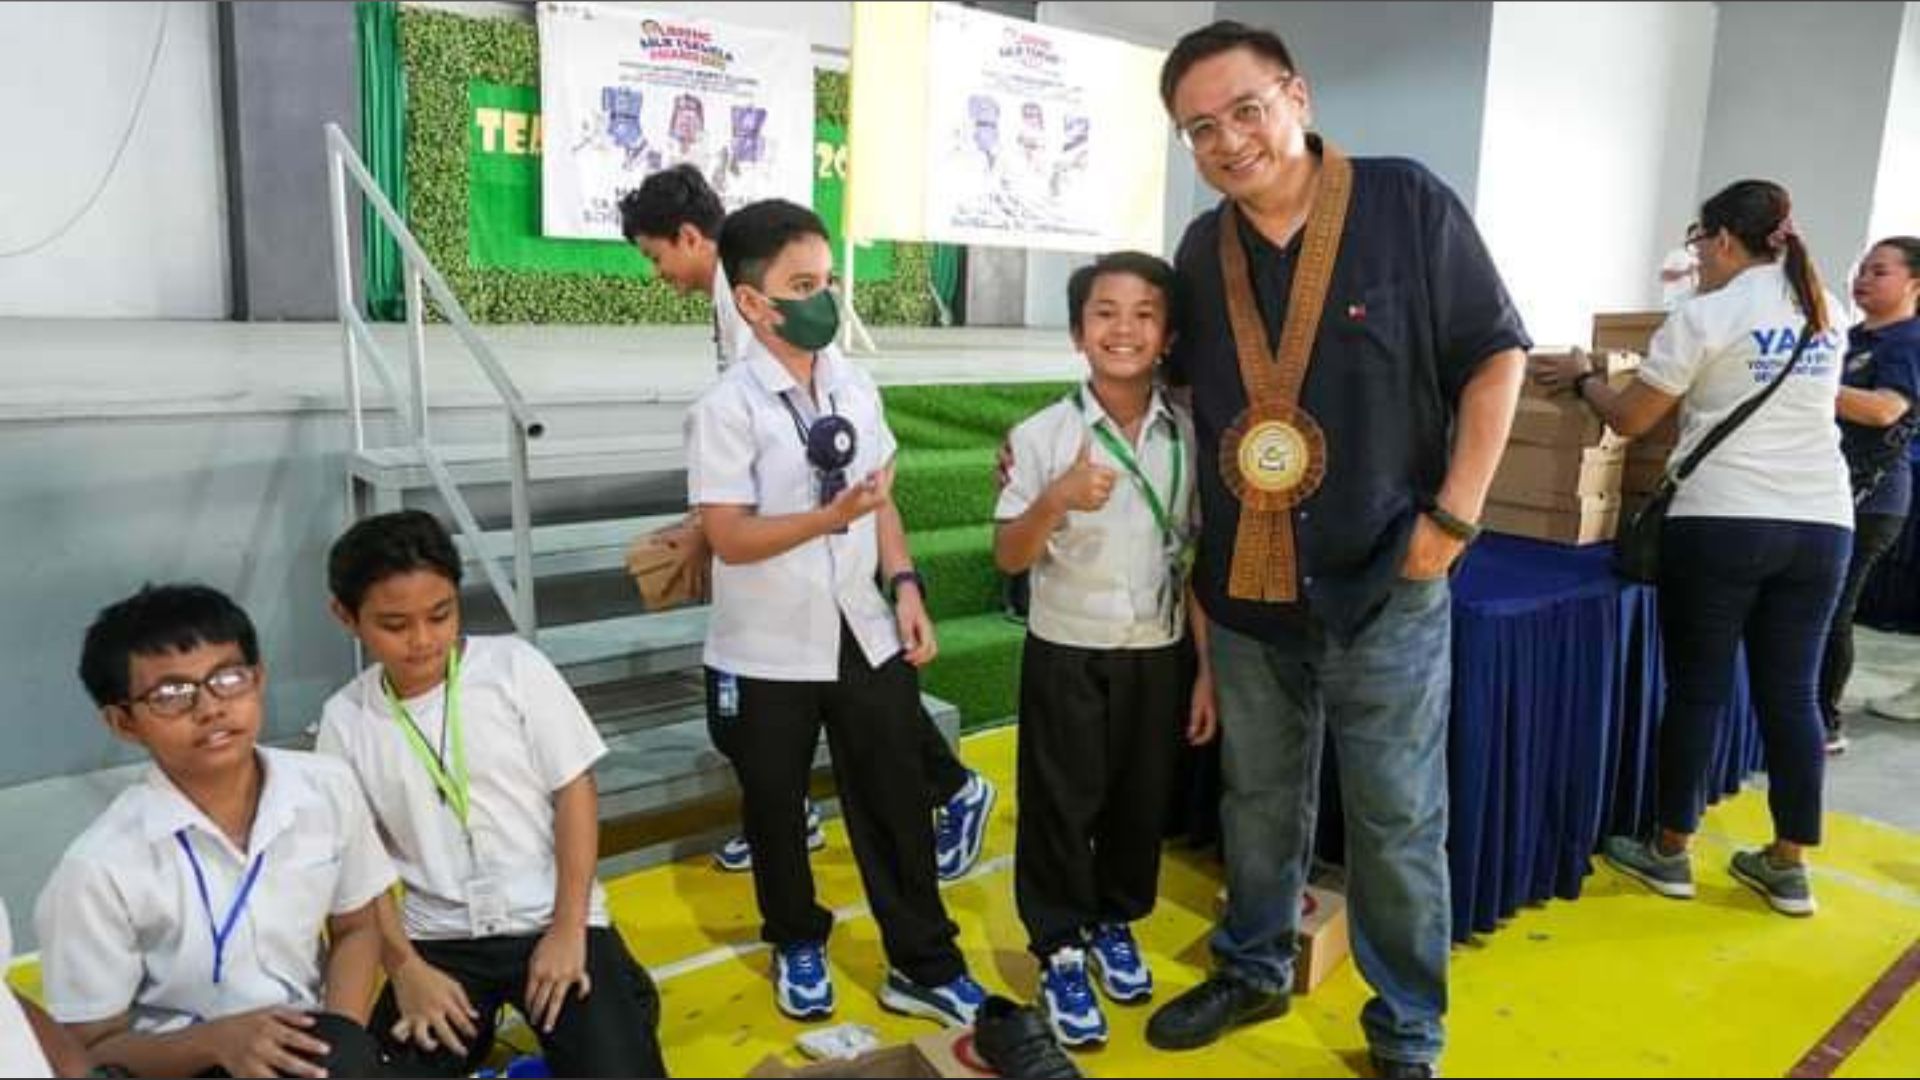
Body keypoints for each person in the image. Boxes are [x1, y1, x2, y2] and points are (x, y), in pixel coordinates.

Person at [1140, 22, 1530, 1079]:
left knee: (1398, 818)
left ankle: (1407, 1030)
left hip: (1385, 579)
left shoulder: (1406, 203)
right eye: (1200, 129)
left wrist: (1452, 519)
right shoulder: (1199, 250)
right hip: (1252, 587)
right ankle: (1254, 967)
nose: (1228, 142)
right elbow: (1177, 397)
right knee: (1257, 801)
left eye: (1246, 110)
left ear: (1297, 96)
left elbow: (1495, 358)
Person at [619, 168, 997, 879]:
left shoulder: (755, 317)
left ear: (691, 237)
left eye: (655, 254)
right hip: (787, 580)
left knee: (865, 702)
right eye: (808, 284)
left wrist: (719, 528)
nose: (658, 271)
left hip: (823, 566)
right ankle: (788, 818)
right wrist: (713, 519)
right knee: (781, 718)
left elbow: (799, 446)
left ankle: (950, 791)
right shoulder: (738, 319)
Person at [686, 198, 986, 1025]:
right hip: (764, 650)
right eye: (804, 283)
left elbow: (880, 499)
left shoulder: (854, 382)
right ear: (753, 302)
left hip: (862, 631)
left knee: (895, 801)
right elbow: (728, 538)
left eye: (828, 279)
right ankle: (797, 942)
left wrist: (908, 585)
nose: (824, 298)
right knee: (776, 810)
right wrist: (828, 519)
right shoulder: (728, 406)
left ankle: (923, 962)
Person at [1534, 180, 1851, 918]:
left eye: (1699, 242)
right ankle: (1788, 863)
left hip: (1726, 522)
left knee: (1699, 689)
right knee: (1794, 694)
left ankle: (1669, 850)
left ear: (1724, 241)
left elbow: (1635, 418)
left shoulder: (1705, 314)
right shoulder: (1823, 307)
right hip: (1822, 523)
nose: (1697, 257)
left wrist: (1583, 377)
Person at [316, 511, 669, 1077]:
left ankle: (619, 988)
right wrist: (404, 968)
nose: (423, 640)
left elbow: (574, 789)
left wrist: (569, 928)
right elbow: (360, 866)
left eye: (440, 615)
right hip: (440, 943)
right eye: (395, 624)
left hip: (552, 918)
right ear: (345, 616)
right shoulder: (344, 721)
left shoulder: (513, 667)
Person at [994, 251, 1217, 1049]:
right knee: (1061, 804)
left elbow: (1191, 563)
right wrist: (1055, 497)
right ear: (1076, 332)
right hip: (1067, 650)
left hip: (1156, 651)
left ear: (1169, 335)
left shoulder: (1189, 436)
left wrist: (1206, 677)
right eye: (1105, 312)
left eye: (1144, 314)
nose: (1124, 329)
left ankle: (1115, 921)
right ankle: (1057, 945)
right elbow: (1010, 558)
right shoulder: (1042, 435)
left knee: (1137, 801)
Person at [36, 585, 396, 1079]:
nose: (210, 709)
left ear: (259, 678)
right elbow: (89, 1050)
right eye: (171, 695)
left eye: (228, 678)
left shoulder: (327, 789)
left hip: (304, 1045)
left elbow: (356, 926)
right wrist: (216, 1043)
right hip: (180, 1066)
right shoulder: (98, 868)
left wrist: (339, 1038)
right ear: (123, 722)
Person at [1823, 237, 1920, 742]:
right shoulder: (1850, 336)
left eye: (1879, 272)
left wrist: (1810, 387)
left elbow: (1885, 409)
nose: (1863, 278)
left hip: (1873, 498)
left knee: (1833, 607)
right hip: (1825, 488)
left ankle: (1825, 720)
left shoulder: (1908, 342)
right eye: (1861, 269)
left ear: (1914, 284)